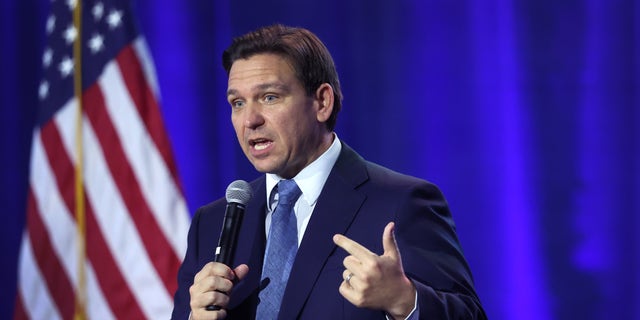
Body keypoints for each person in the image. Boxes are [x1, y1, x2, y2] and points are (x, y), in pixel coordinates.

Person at [171, 24, 486, 320]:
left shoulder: (399, 203)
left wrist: (405, 300)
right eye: (237, 102)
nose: (249, 120)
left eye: (269, 97)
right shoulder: (211, 223)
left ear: (322, 102)